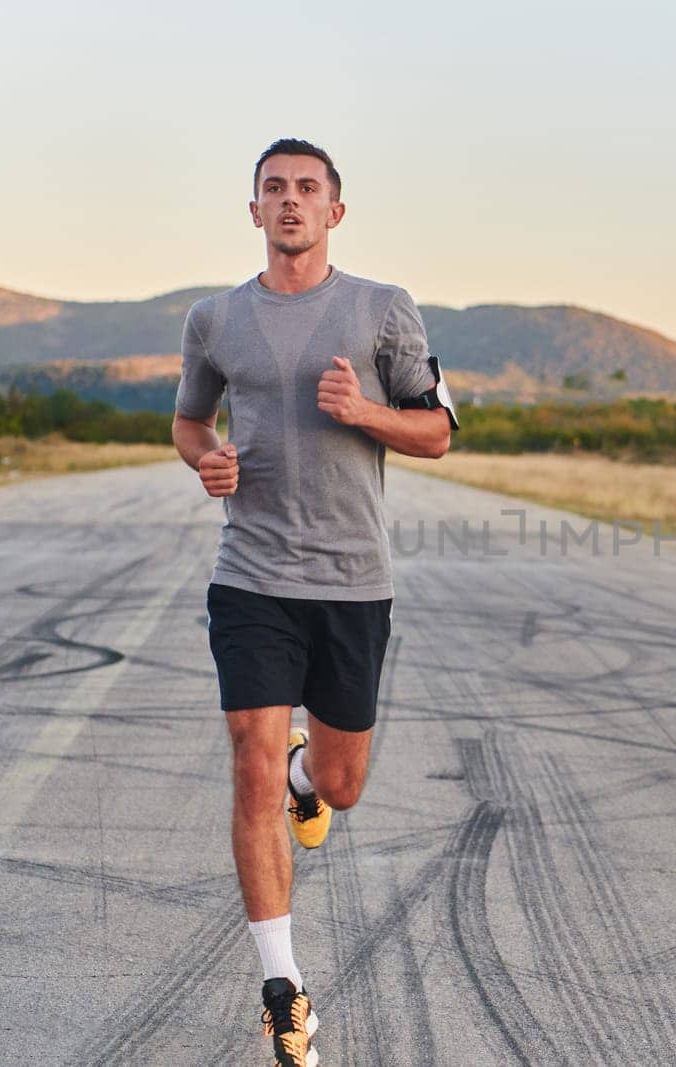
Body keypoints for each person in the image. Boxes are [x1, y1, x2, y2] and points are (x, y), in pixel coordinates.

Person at [171, 137, 457, 1067]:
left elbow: (439, 432)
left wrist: (365, 412)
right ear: (253, 211)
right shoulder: (215, 321)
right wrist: (203, 458)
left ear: (336, 210)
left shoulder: (382, 310)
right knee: (249, 769)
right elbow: (189, 420)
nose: (290, 202)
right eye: (273, 190)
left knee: (340, 784)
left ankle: (309, 779)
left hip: (350, 585)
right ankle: (283, 989)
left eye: (307, 189)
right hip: (251, 575)